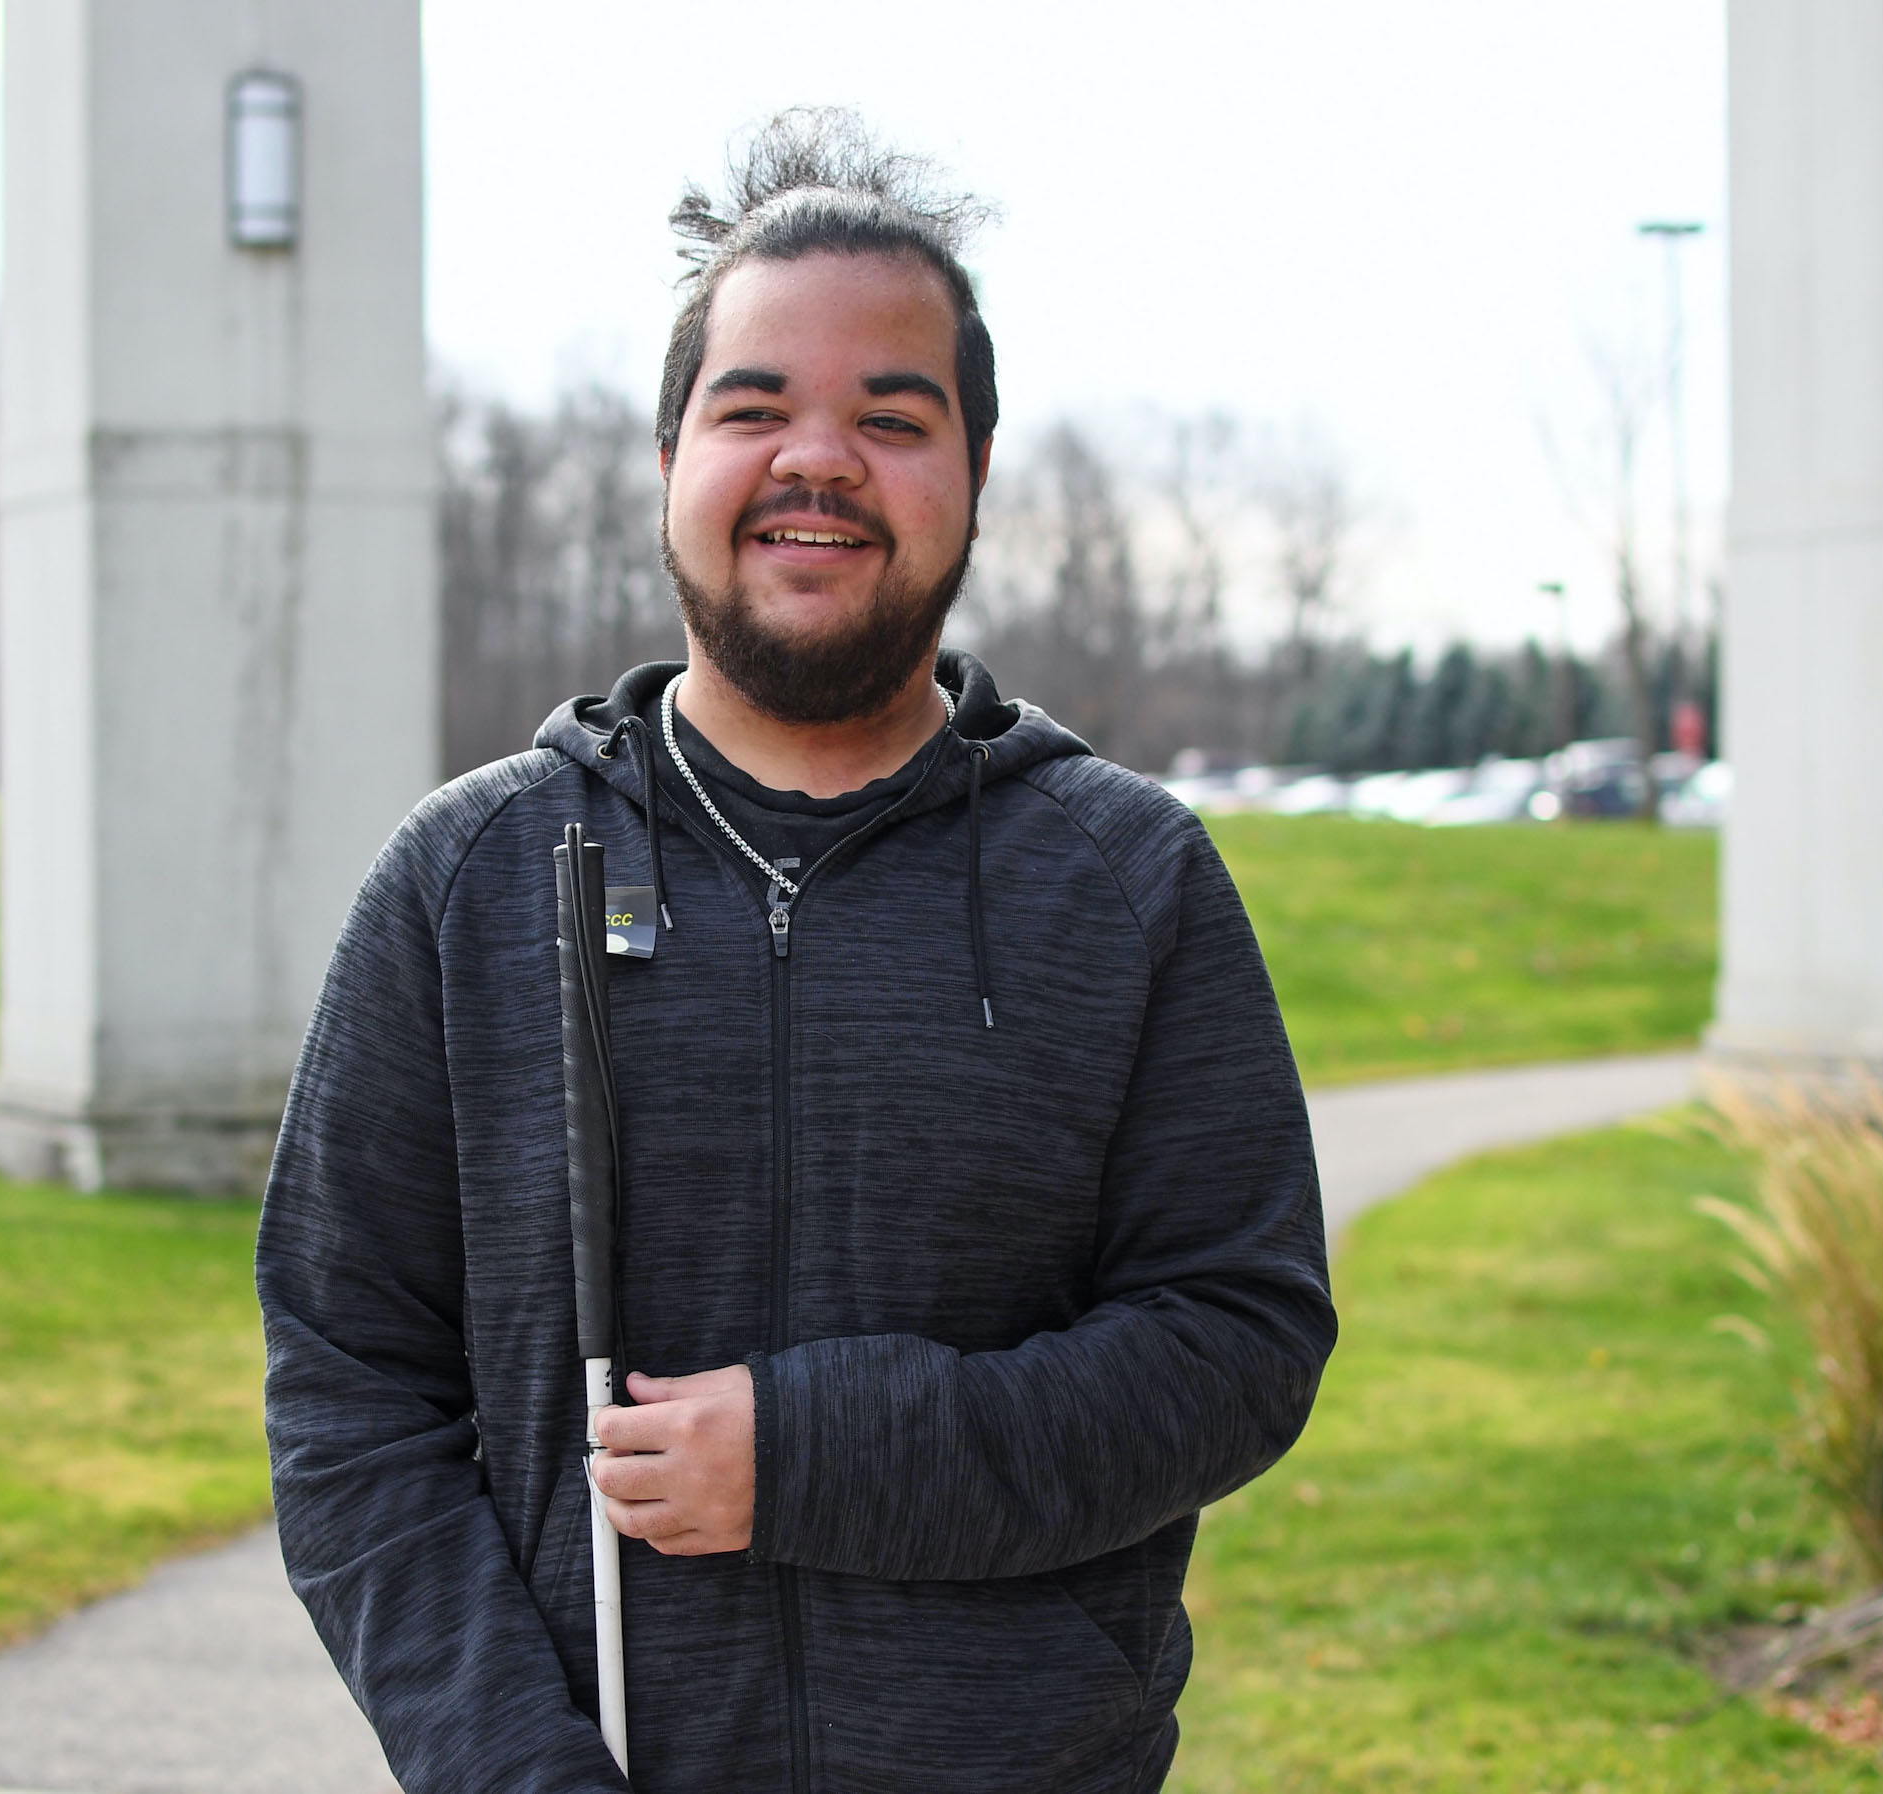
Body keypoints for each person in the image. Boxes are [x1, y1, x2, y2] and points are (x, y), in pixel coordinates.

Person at [257, 109, 1336, 1794]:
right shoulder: (469, 877)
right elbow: (349, 1393)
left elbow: (1233, 1340)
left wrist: (816, 1453)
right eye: (752, 407)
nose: (814, 460)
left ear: (975, 472)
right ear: (669, 460)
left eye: (890, 418)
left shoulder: (1124, 878)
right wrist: (515, 1769)